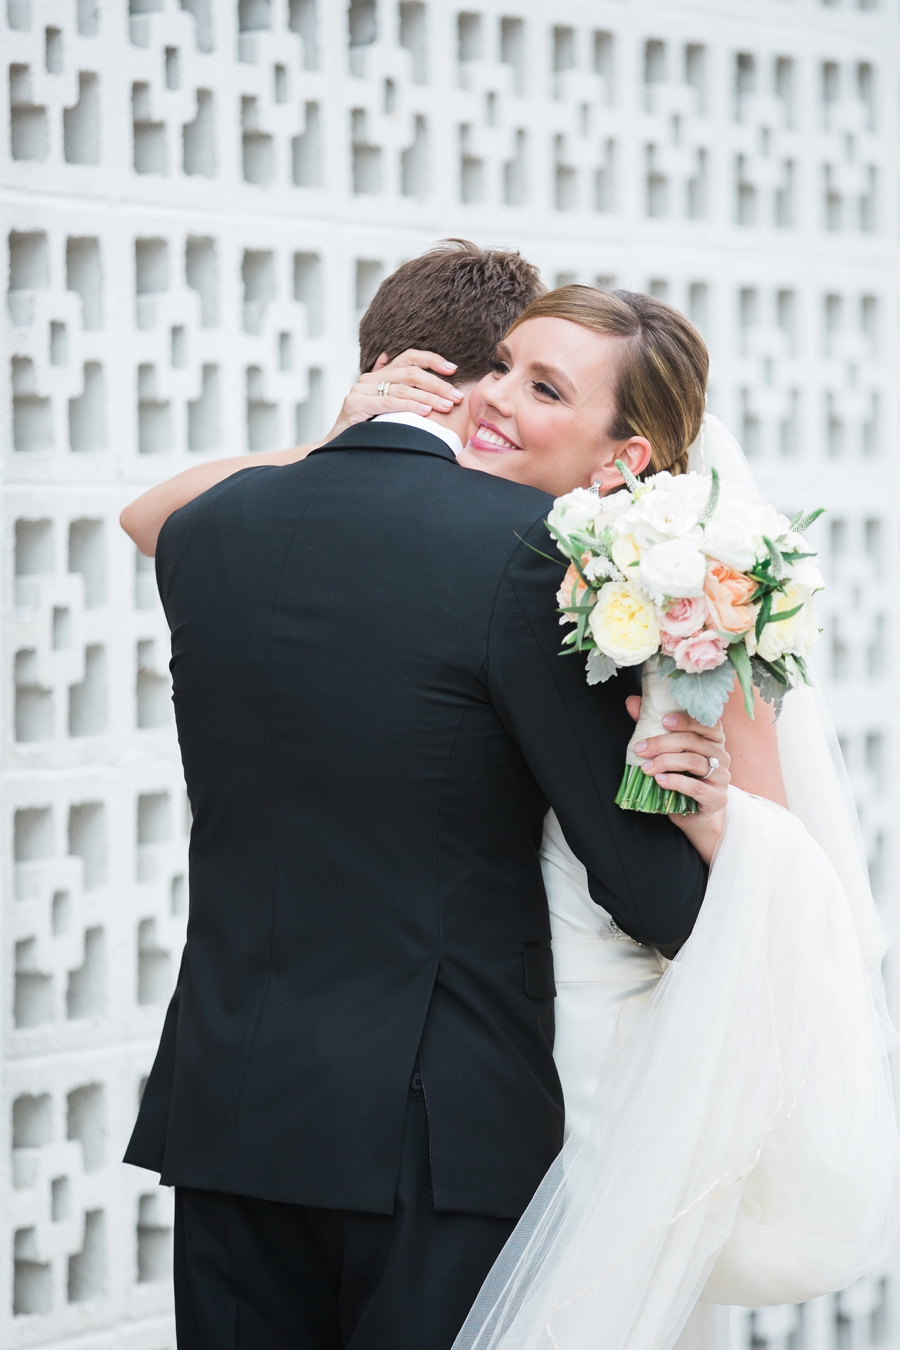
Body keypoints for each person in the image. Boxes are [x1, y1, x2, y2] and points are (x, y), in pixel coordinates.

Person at [123, 245, 728, 1350]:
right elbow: (655, 899)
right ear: (464, 384)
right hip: (433, 1132)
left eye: (540, 384)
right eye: (507, 371)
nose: (505, 401)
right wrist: (717, 827)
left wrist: (344, 435)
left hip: (230, 1106)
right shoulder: (531, 562)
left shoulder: (212, 532)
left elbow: (155, 514)